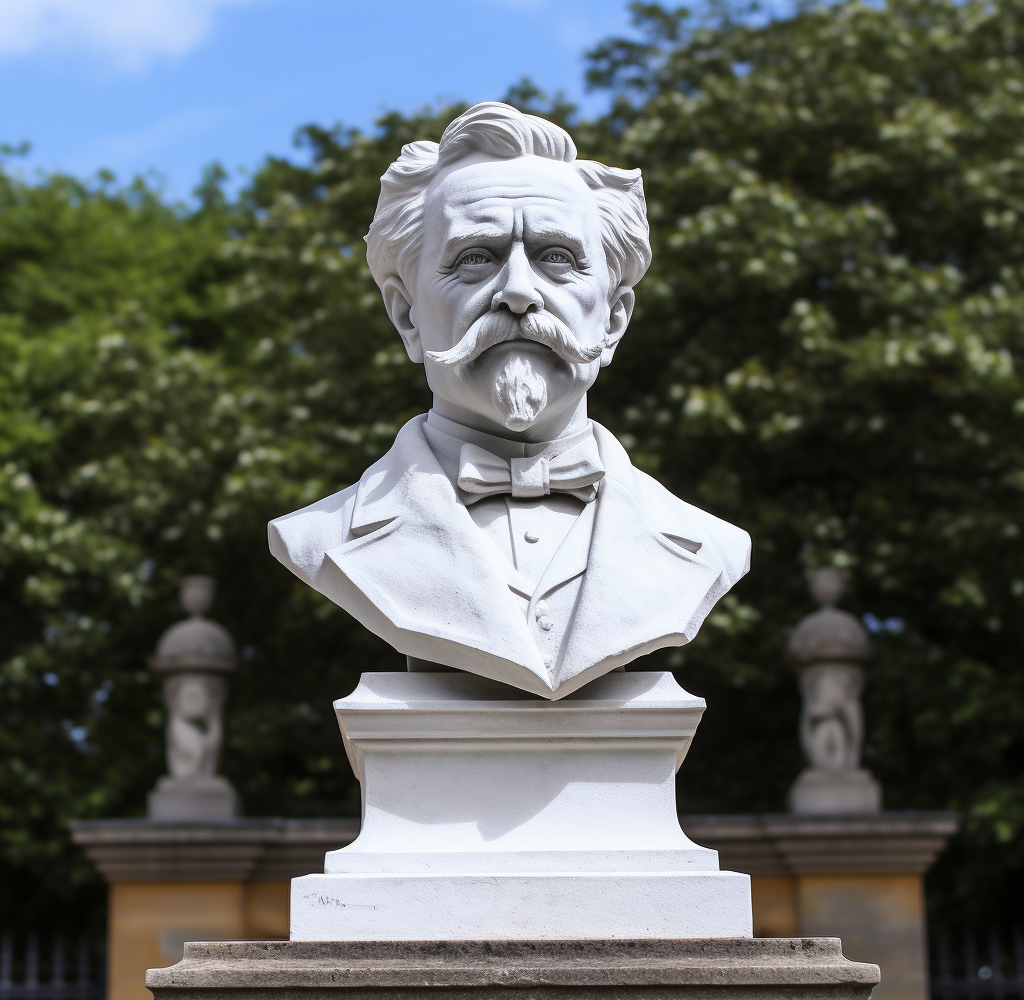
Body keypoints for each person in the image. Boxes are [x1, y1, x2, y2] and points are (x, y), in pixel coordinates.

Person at [269, 102, 750, 698]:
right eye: (476, 258)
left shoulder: (711, 544)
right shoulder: (323, 536)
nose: (519, 292)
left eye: (557, 258)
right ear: (406, 316)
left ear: (616, 319)